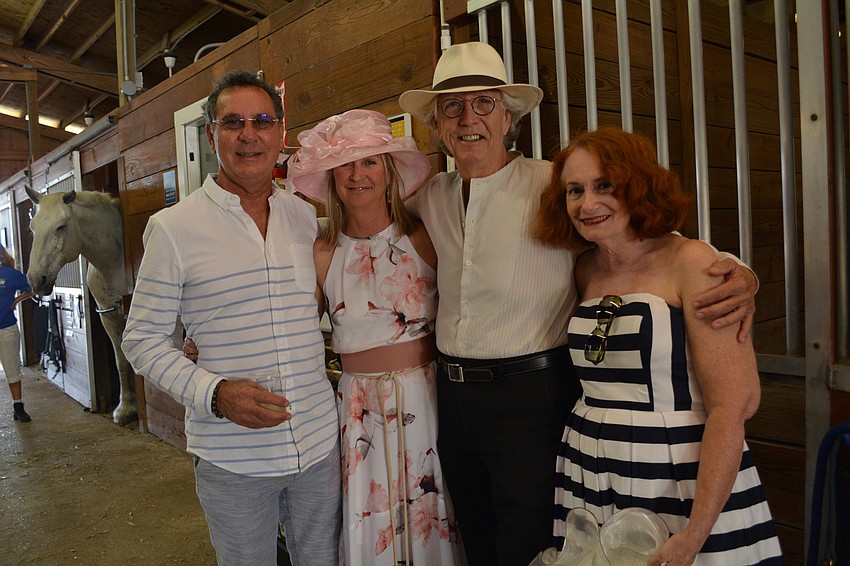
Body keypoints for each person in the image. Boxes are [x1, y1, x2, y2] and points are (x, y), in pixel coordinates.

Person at [398, 41, 760, 565]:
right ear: (437, 126)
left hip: (532, 394)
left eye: (484, 103)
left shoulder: (556, 185)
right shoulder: (430, 195)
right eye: (451, 107)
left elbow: (644, 241)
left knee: (527, 543)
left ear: (507, 117)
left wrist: (738, 272)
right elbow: (370, 227)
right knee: (473, 532)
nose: (468, 118)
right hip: (452, 399)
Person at [122, 70, 341, 566]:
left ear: (281, 134)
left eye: (262, 121)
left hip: (318, 445)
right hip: (233, 456)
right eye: (233, 122)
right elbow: (142, 340)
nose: (249, 135)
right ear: (211, 135)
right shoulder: (173, 228)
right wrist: (215, 394)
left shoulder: (304, 217)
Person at [536, 128, 783, 565]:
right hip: (589, 467)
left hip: (677, 473)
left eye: (604, 185)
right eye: (575, 190)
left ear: (639, 186)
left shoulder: (691, 261)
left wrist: (695, 533)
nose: (587, 204)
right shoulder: (583, 268)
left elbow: (734, 405)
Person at [286, 109, 464, 565]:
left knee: (432, 506)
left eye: (369, 162)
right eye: (345, 165)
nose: (357, 175)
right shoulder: (322, 251)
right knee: (370, 512)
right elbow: (294, 327)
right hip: (358, 407)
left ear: (388, 172)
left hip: (426, 397)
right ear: (331, 177)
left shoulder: (422, 236)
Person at [0, 245, 34, 422]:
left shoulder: (10, 274)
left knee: (12, 368)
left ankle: (18, 406)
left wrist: (16, 300)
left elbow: (33, 287)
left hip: (6, 329)